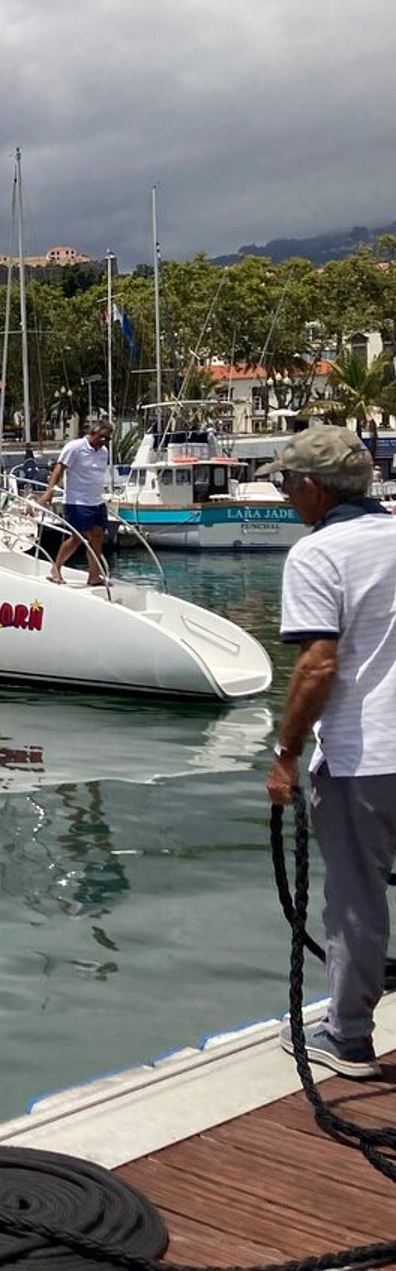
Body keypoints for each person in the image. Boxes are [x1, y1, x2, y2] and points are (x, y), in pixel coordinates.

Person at [264, 423, 396, 1078]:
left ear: (314, 488)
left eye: (287, 483)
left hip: (364, 758)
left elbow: (318, 665)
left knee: (355, 900)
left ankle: (347, 1036)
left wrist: (286, 754)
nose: (285, 496)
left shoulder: (318, 554)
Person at [37, 420, 113, 585]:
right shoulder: (75, 447)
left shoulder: (103, 452)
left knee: (98, 536)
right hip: (76, 501)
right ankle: (56, 569)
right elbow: (59, 469)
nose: (104, 441)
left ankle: (94, 575)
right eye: (102, 437)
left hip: (96, 501)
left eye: (107, 438)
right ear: (92, 433)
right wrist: (50, 491)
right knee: (77, 537)